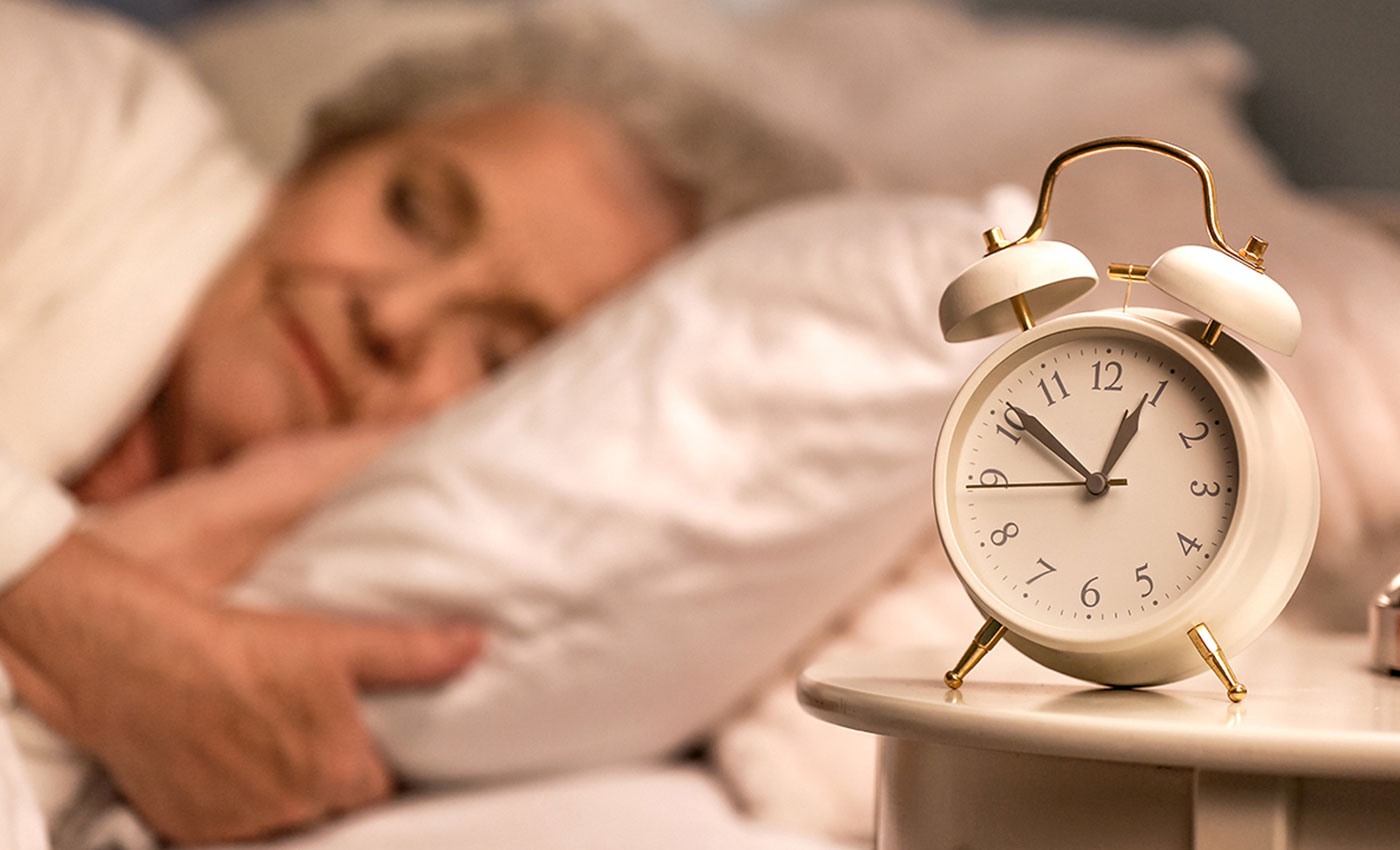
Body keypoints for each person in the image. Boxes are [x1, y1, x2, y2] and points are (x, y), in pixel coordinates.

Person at [0, 3, 846, 846]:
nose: (396, 315)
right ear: (318, 160)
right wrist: (88, 619)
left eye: (497, 357)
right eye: (411, 210)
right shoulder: (85, 116)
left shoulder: (320, 614)